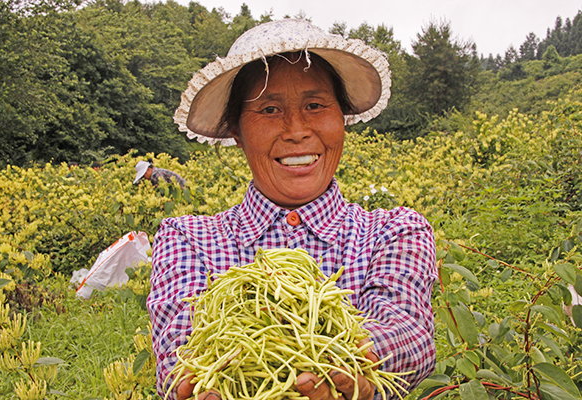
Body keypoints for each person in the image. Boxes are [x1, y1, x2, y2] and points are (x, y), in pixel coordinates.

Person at [147, 19, 437, 400]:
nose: (297, 130)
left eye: (315, 106)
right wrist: (200, 377)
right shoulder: (187, 239)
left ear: (342, 119)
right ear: (236, 131)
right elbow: (179, 353)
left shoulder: (394, 232)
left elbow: (408, 335)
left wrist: (353, 361)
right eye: (269, 109)